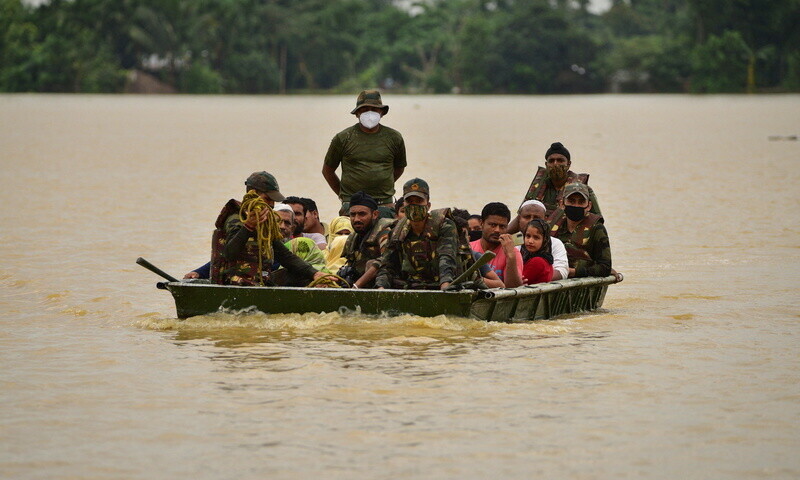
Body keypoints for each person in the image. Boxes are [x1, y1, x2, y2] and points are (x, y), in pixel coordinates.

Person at [209, 171, 326, 286]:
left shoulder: (265, 222)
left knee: (299, 275)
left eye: (273, 200)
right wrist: (248, 226)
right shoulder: (236, 218)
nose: (271, 205)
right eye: (268, 199)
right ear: (253, 193)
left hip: (261, 281)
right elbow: (230, 253)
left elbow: (284, 255)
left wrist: (314, 273)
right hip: (235, 283)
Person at [322, 90, 406, 218]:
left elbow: (399, 167)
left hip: (384, 205)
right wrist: (344, 196)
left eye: (374, 109)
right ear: (357, 113)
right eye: (365, 109)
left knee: (386, 237)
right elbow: (328, 171)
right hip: (352, 206)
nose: (370, 113)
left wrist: (383, 183)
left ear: (382, 112)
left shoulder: (394, 138)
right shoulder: (343, 138)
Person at [375, 178, 460, 290]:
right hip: (410, 288)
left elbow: (447, 256)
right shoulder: (397, 231)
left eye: (419, 201)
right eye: (410, 202)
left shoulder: (444, 226)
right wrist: (381, 287)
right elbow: (387, 265)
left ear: (428, 205)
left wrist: (445, 284)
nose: (414, 206)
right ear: (404, 204)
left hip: (438, 286)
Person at [509, 141, 601, 230]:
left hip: (570, 237)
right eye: (551, 161)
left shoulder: (583, 189)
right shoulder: (538, 188)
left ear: (568, 164)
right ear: (546, 165)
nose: (556, 164)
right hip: (538, 236)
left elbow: (597, 221)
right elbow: (520, 218)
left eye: (560, 160)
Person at [550, 183, 612, 278]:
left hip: (580, 278)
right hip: (553, 275)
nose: (576, 206)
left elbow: (605, 267)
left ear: (589, 205)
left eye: (581, 202)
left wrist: (573, 272)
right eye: (571, 201)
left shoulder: (597, 228)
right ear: (562, 204)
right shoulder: (552, 226)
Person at [341, 191, 395, 288]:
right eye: (353, 214)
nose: (356, 219)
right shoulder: (353, 238)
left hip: (382, 285)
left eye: (362, 214)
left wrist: (357, 286)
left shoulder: (383, 233)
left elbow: (385, 262)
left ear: (375, 214)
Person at [470, 202, 523, 288]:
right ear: (482, 223)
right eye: (493, 225)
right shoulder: (469, 248)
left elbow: (514, 289)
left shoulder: (513, 253)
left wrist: (510, 257)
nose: (497, 230)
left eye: (502, 226)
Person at [514, 200, 569, 281]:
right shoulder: (512, 241)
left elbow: (562, 271)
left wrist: (540, 276)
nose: (531, 221)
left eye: (536, 218)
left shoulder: (555, 243)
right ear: (519, 218)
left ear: (545, 219)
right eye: (527, 217)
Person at [273, 204, 329, 274]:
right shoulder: (263, 246)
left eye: (287, 223)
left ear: (292, 229)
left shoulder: (297, 247)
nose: (282, 226)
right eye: (278, 221)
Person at [520, 218, 554, 285]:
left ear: (544, 240)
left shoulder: (538, 261)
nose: (530, 241)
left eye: (536, 237)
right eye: (528, 236)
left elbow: (515, 283)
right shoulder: (545, 259)